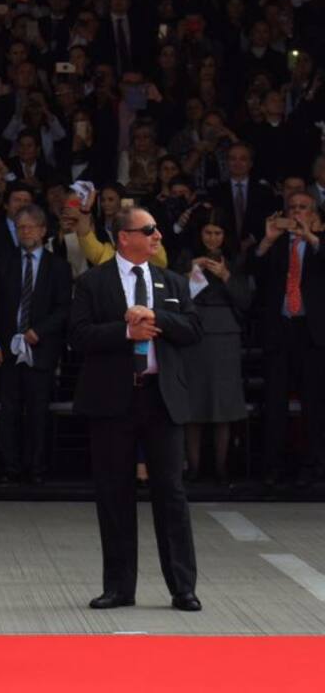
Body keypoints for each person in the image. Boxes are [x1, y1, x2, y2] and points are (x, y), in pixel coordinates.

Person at [69, 206, 203, 612]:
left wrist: (156, 317)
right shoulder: (93, 282)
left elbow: (194, 329)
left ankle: (183, 587)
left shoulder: (172, 281)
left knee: (171, 495)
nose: (158, 235)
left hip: (161, 400)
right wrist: (127, 331)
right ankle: (119, 587)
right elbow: (78, 336)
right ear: (123, 237)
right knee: (114, 495)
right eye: (148, 230)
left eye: (157, 228)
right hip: (113, 400)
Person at [0, 205, 72, 484]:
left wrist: (40, 331)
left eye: (30, 227)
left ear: (43, 230)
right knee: (9, 410)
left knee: (38, 410)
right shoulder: (6, 262)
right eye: (20, 227)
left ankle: (37, 468)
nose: (25, 232)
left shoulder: (58, 266)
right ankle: (9, 468)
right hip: (9, 349)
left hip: (41, 349)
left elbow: (63, 308)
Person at [247, 190, 325, 487]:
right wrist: (266, 239)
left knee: (313, 404)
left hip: (311, 332)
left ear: (313, 213)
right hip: (280, 330)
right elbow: (252, 272)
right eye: (292, 208)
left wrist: (311, 237)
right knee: (275, 402)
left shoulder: (319, 244)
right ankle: (273, 467)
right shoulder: (277, 245)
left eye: (303, 208)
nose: (296, 213)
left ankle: (312, 466)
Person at [173, 213, 251, 485]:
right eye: (208, 233)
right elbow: (172, 294)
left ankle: (221, 468)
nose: (213, 239)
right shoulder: (186, 256)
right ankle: (192, 468)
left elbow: (245, 300)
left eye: (218, 233)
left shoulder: (236, 259)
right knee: (194, 403)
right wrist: (191, 269)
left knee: (223, 405)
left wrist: (226, 275)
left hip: (225, 334)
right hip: (194, 333)